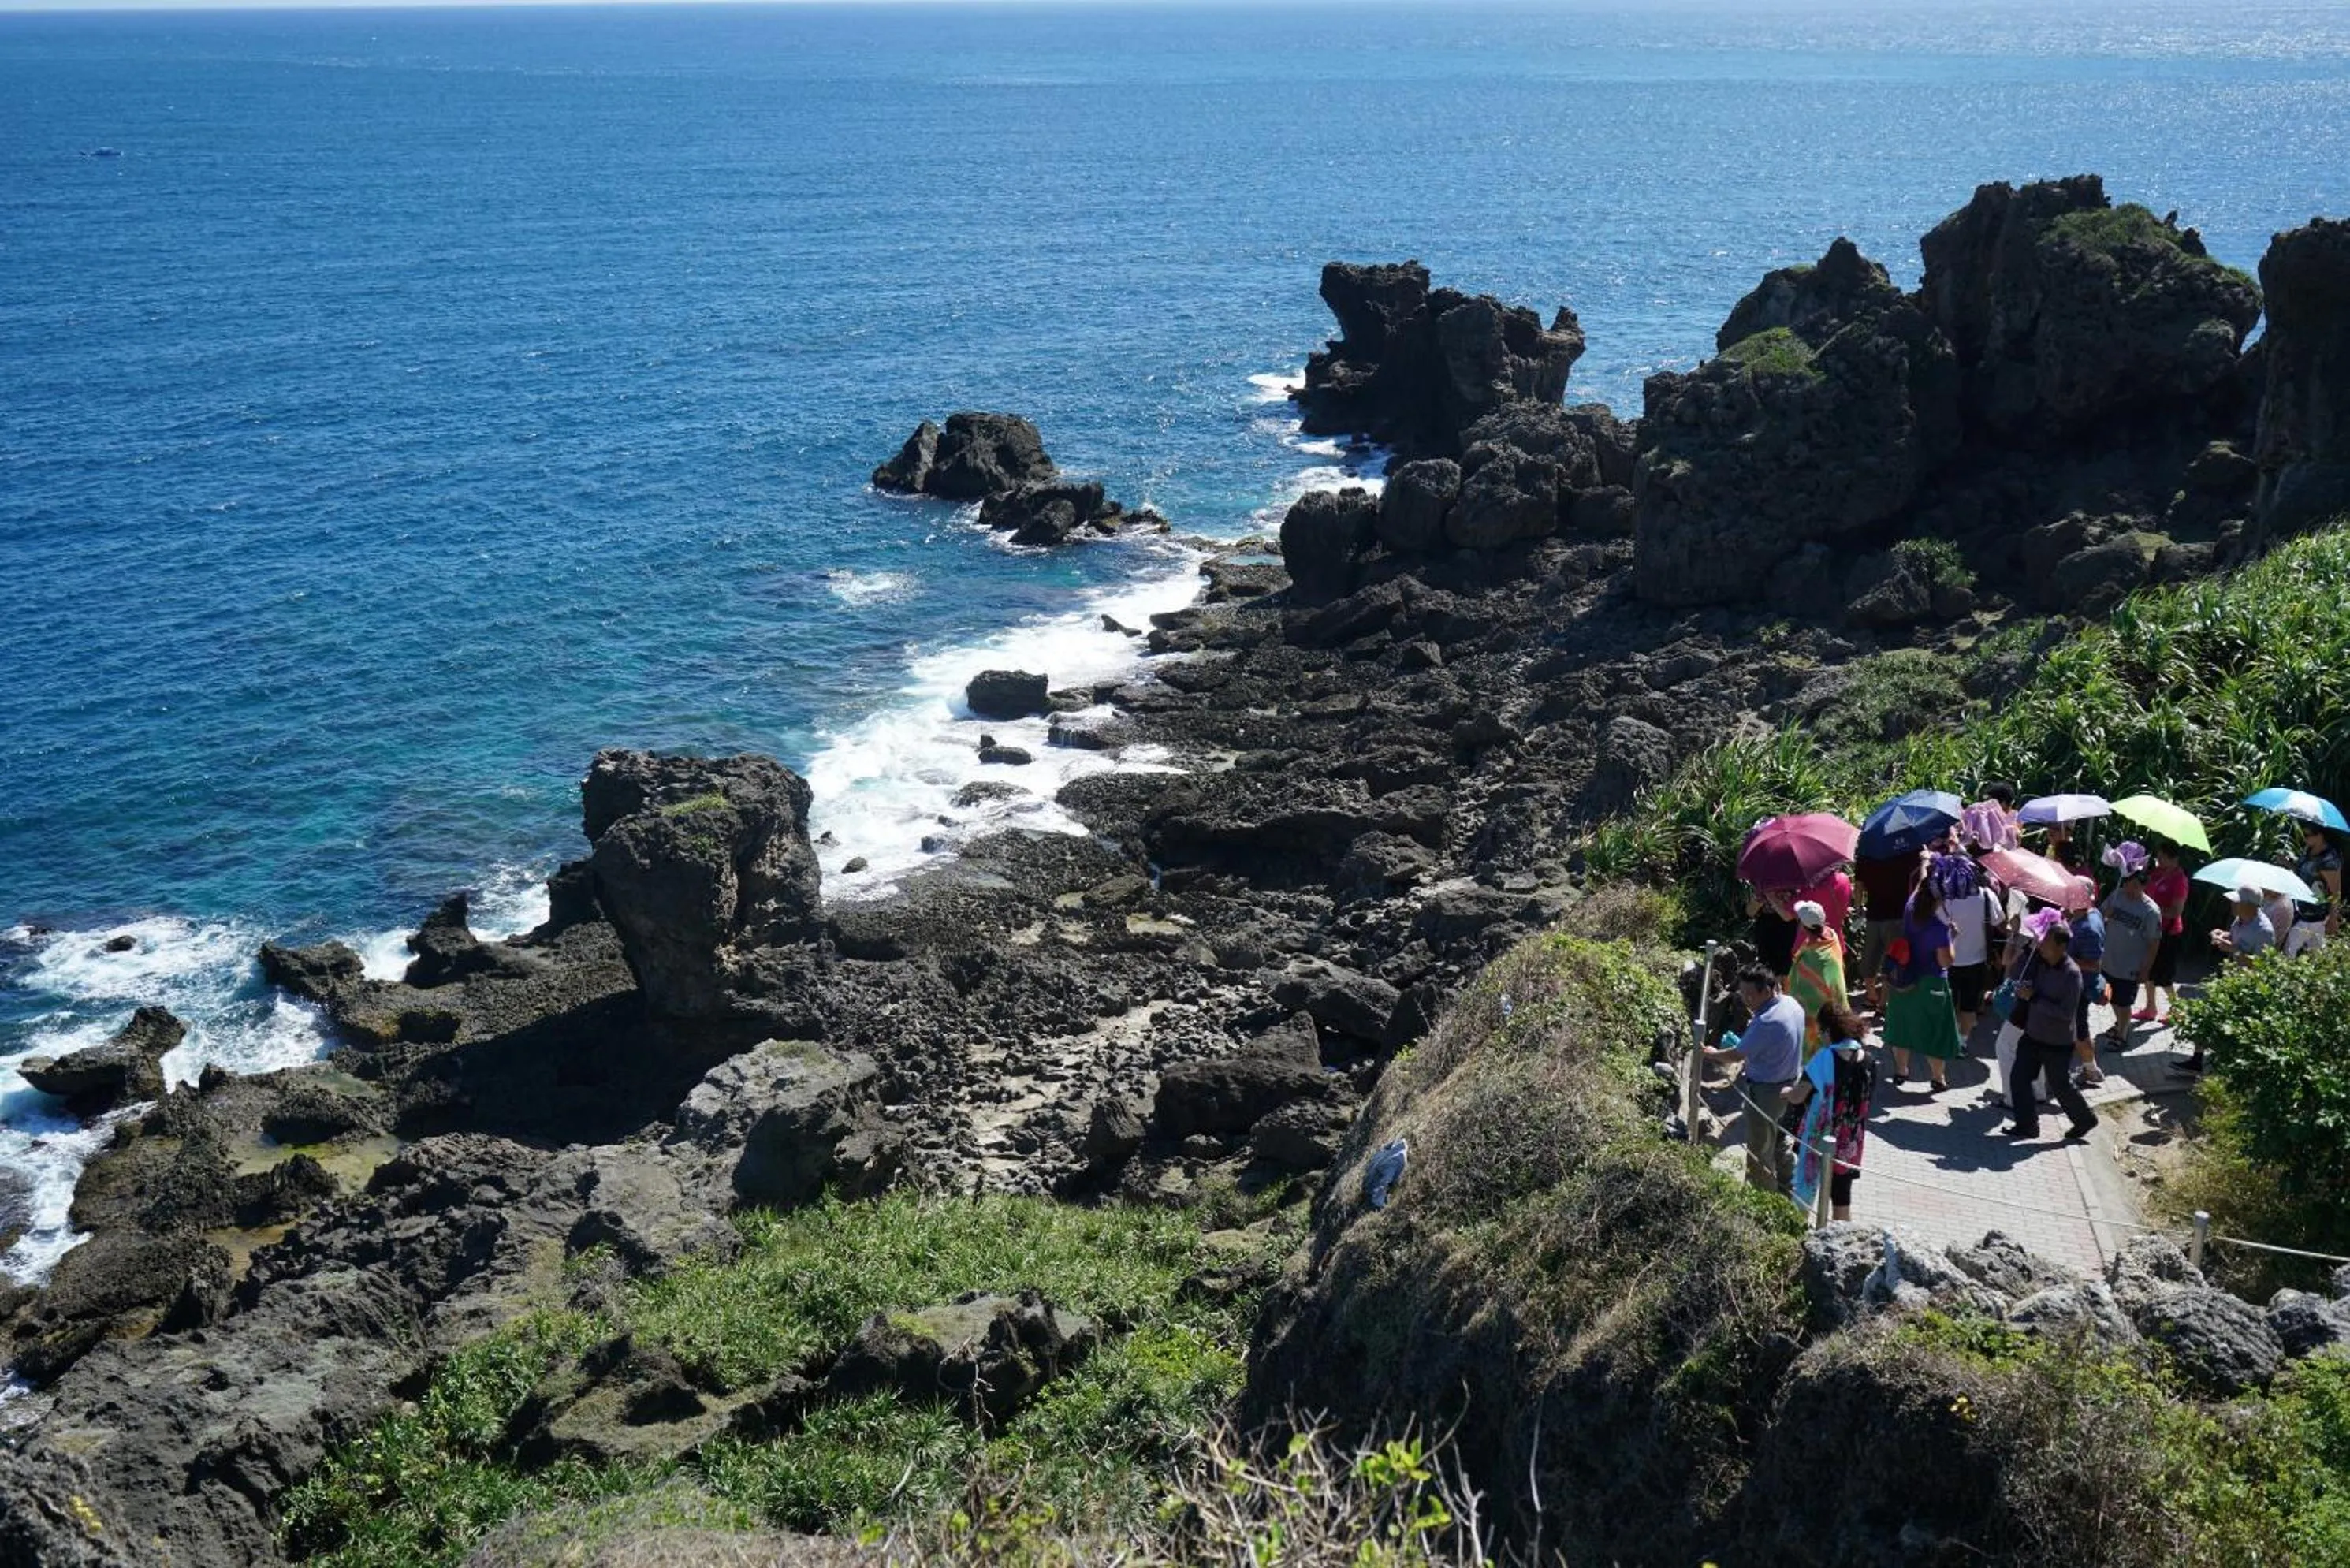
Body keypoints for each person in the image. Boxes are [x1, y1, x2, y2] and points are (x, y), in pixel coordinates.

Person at [1704, 964, 1808, 1197]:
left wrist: (1712, 1054)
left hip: (1765, 1093)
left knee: (1758, 1151)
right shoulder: (1791, 1005)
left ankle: (1761, 1202)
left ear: (1769, 990)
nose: (1747, 999)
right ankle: (1788, 1191)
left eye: (1752, 994)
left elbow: (1737, 1054)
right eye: (1743, 993)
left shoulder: (1767, 1021)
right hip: (1789, 1084)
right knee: (1780, 1141)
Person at [2004, 921, 2099, 1143]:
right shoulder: (2038, 962)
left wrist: (2035, 998)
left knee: (2060, 1085)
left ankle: (2085, 1120)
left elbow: (2066, 1013)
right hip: (2033, 1035)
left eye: (2045, 943)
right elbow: (2015, 973)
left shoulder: (2072, 975)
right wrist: (2028, 952)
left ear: (2061, 947)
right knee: (2018, 1078)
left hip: (2057, 1042)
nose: (2041, 947)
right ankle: (2027, 1125)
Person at [1786, 1000, 1877, 1222]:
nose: (1819, 1037)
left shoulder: (1824, 1058)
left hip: (1821, 1135)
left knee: (1805, 1186)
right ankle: (1841, 1243)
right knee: (1842, 1196)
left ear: (1829, 1031)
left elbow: (1798, 1095)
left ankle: (1797, 1233)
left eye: (1821, 1032)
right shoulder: (1869, 1061)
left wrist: (1787, 1092)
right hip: (1851, 1140)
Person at [2176, 887, 2277, 1076]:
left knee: (2232, 1029)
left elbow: (2261, 965)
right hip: (2231, 979)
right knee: (2206, 1014)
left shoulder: (2264, 931)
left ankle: (2227, 1071)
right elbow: (2237, 939)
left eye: (2236, 901)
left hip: (2247, 987)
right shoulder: (2241, 920)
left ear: (2248, 905)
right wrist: (2223, 934)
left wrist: (2232, 950)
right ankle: (2197, 1060)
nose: (2232, 904)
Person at [1885, 876, 1961, 1093]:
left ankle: (1901, 1070)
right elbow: (1946, 961)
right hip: (1931, 983)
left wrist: (1926, 862)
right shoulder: (1939, 928)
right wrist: (1953, 937)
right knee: (1933, 1032)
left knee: (1902, 1026)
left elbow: (1920, 884)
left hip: (1904, 977)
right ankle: (1938, 1078)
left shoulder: (1910, 907)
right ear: (1939, 900)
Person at [2096, 845, 2162, 1052]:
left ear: (2143, 886)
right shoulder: (2117, 896)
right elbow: (2101, 916)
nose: (2129, 890)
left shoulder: (2150, 911)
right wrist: (2104, 914)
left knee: (2123, 1003)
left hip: (2129, 967)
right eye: (2128, 884)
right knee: (2112, 999)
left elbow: (2154, 943)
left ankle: (2123, 1034)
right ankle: (2121, 1023)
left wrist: (2145, 970)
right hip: (2109, 961)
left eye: (2134, 886)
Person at [1934, 852, 2003, 1039]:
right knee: (1969, 1005)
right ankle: (1963, 1041)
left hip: (1947, 962)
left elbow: (1935, 927)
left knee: (1948, 1004)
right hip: (1978, 961)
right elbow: (1999, 923)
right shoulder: (1988, 896)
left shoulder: (1943, 900)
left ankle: (1949, 1038)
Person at [1853, 847, 1922, 1015]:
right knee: (1892, 959)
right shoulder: (1907, 851)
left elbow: (1859, 886)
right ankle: (1884, 1003)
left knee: (1869, 956)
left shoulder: (1866, 854)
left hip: (1874, 915)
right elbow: (1919, 878)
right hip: (1898, 915)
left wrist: (1857, 908)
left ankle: (1871, 996)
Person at [2139, 840, 2191, 1024]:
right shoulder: (2156, 872)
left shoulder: (2179, 880)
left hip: (2168, 932)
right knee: (2148, 970)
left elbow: (2176, 911)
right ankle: (2150, 1008)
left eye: (2161, 857)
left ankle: (2177, 1010)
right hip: (2150, 929)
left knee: (2164, 976)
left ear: (2173, 858)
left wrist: (2153, 909)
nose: (2158, 859)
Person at [2065, 876, 2108, 1089]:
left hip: (2079, 987)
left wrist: (2062, 957)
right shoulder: (2085, 915)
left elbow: (2094, 965)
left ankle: (2091, 1069)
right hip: (2074, 984)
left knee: (2079, 1029)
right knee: (2074, 1027)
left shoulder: (2089, 928)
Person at [1787, 899, 1848, 1048]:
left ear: (1804, 925)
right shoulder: (1831, 937)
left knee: (1816, 1045)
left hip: (1817, 1010)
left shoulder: (1812, 957)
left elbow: (1803, 988)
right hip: (1836, 1001)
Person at [2289, 823, 2342, 957]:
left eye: (2307, 835)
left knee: (2289, 952)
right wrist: (2287, 863)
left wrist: (2333, 918)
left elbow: (2335, 892)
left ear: (2320, 836)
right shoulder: (2308, 850)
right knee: (2314, 955)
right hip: (2300, 910)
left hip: (2315, 916)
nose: (2304, 839)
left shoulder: (2329, 860)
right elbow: (2303, 873)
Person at [1747, 886, 1800, 980]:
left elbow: (1788, 917)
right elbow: (1750, 912)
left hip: (1787, 928)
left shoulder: (1794, 886)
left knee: (1785, 968)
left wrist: (1772, 899)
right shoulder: (1763, 885)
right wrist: (1759, 900)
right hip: (1766, 927)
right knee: (1766, 967)